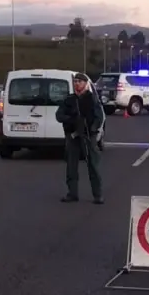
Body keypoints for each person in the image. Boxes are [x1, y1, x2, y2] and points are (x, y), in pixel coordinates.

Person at [55, 72, 105, 203]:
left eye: (79, 81)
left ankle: (98, 195)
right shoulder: (69, 99)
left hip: (88, 136)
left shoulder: (92, 99)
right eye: (75, 81)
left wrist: (92, 128)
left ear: (85, 84)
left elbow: (99, 116)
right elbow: (59, 115)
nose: (77, 84)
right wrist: (72, 120)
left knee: (93, 165)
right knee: (71, 166)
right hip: (73, 136)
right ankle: (72, 193)